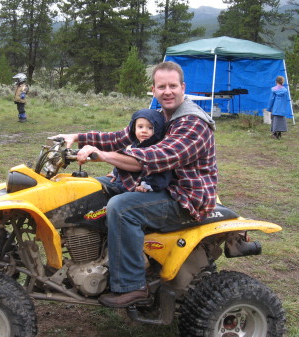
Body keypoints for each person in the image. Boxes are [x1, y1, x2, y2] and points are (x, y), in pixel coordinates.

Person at [56, 61, 217, 308]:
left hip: (184, 196)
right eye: (161, 86)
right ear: (153, 89)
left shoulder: (192, 123)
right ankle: (95, 256)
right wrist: (77, 137)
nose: (167, 91)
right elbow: (121, 137)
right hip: (160, 185)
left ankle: (132, 286)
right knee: (92, 189)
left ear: (183, 87)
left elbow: (157, 157)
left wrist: (104, 155)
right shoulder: (161, 116)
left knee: (122, 207)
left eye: (173, 86)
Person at [103, 108, 172, 196]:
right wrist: (115, 173)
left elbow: (162, 174)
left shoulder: (157, 150)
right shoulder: (133, 145)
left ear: (158, 130)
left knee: (124, 196)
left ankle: (117, 193)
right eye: (140, 127)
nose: (144, 131)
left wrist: (147, 185)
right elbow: (123, 161)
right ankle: (114, 190)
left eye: (150, 128)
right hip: (129, 181)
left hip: (144, 185)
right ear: (134, 127)